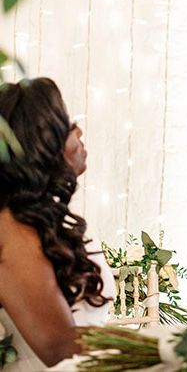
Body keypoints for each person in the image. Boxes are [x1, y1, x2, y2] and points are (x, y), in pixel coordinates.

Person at [0, 78, 115, 371]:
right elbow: (59, 345)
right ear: (42, 146)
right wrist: (170, 345)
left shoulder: (35, 218)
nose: (79, 132)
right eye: (68, 125)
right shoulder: (12, 227)